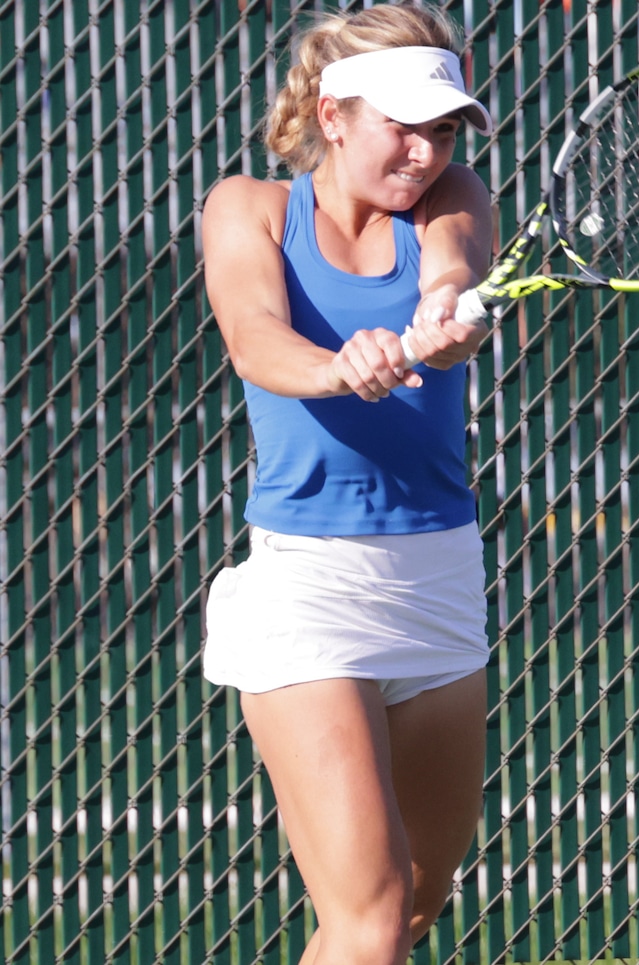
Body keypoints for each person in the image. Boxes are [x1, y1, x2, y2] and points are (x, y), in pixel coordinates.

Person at [200, 5, 495, 963]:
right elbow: (254, 338)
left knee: (409, 905)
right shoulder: (248, 208)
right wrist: (338, 365)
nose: (423, 151)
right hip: (309, 584)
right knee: (368, 921)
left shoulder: (455, 197)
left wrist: (446, 311)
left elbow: (451, 273)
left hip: (440, 576)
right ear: (332, 113)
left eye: (442, 127)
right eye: (401, 125)